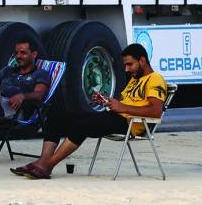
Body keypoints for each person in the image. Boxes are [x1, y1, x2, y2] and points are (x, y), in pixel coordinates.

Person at [12, 42, 167, 179]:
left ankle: (47, 166)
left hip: (130, 124)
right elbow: (125, 101)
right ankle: (42, 161)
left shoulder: (155, 79)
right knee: (56, 116)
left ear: (142, 60)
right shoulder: (135, 78)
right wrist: (106, 100)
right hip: (115, 116)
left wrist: (122, 107)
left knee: (83, 125)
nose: (127, 69)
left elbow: (155, 111)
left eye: (130, 64)